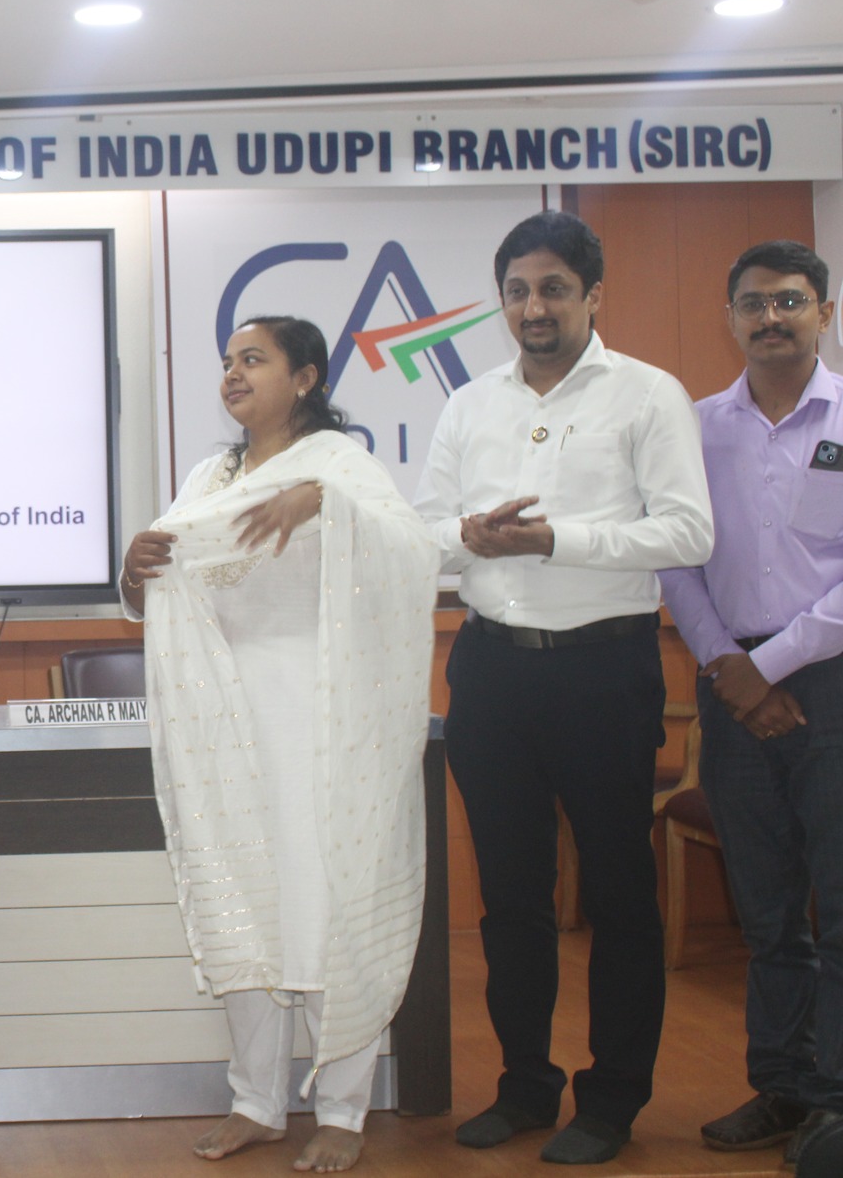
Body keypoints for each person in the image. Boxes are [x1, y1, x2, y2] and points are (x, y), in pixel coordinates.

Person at [413, 209, 713, 1165]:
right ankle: (525, 1086)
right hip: (491, 669)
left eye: (551, 288)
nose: (532, 307)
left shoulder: (648, 394)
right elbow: (423, 533)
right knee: (511, 896)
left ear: (593, 295)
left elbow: (688, 532)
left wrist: (556, 540)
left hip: (603, 669)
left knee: (619, 894)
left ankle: (612, 1100)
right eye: (516, 290)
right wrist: (468, 535)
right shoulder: (470, 404)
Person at [121, 316, 436, 1173]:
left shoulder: (339, 464)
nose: (232, 373)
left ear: (305, 377)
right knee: (245, 898)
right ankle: (256, 1101)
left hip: (323, 718)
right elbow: (162, 592)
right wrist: (135, 567)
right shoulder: (209, 475)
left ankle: (342, 1108)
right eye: (227, 361)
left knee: (324, 900)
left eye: (252, 359)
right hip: (223, 724)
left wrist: (327, 504)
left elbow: (416, 552)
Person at [660, 241, 843, 1165]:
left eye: (790, 301)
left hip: (831, 679)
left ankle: (837, 1103)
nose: (771, 318)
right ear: (730, 317)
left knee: (839, 908)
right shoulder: (695, 429)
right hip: (730, 683)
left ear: (825, 312)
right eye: (754, 304)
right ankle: (783, 1083)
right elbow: (675, 556)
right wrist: (729, 663)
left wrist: (770, 664)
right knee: (767, 913)